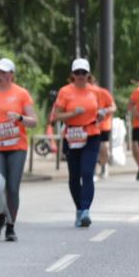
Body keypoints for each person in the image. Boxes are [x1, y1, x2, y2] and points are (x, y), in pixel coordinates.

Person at [0, 58, 37, 242]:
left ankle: (10, 227)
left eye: (5, 72)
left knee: (12, 188)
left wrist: (20, 118)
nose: (1, 76)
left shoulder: (21, 93)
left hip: (16, 146)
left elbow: (34, 121)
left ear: (12, 74)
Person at [53, 58, 100, 227]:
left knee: (87, 173)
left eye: (84, 73)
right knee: (74, 176)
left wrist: (102, 114)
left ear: (88, 75)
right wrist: (72, 113)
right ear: (72, 75)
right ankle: (79, 209)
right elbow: (56, 116)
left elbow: (109, 107)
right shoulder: (65, 91)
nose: (81, 76)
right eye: (77, 73)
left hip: (91, 135)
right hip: (72, 135)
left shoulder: (96, 92)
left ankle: (86, 210)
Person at [90, 77, 117, 180]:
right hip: (90, 126)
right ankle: (93, 172)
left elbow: (113, 107)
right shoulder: (83, 93)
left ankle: (104, 165)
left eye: (92, 83)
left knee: (104, 148)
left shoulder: (103, 93)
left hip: (104, 125)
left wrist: (104, 110)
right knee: (92, 149)